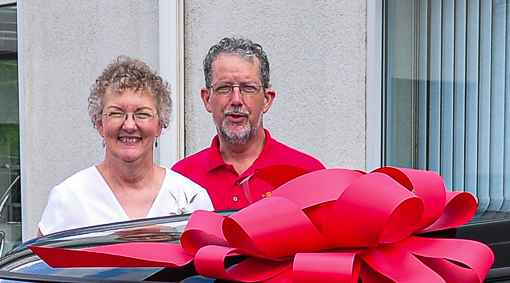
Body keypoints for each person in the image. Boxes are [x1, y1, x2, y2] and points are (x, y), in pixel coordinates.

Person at [37, 56, 211, 237]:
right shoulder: (68, 199)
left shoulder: (191, 199)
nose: (129, 125)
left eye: (142, 114)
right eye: (116, 113)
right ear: (99, 124)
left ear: (160, 125)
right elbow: (39, 256)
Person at [172, 37, 324, 211]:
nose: (236, 100)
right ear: (207, 99)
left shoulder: (306, 173)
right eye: (224, 88)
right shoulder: (181, 179)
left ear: (266, 100)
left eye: (248, 88)